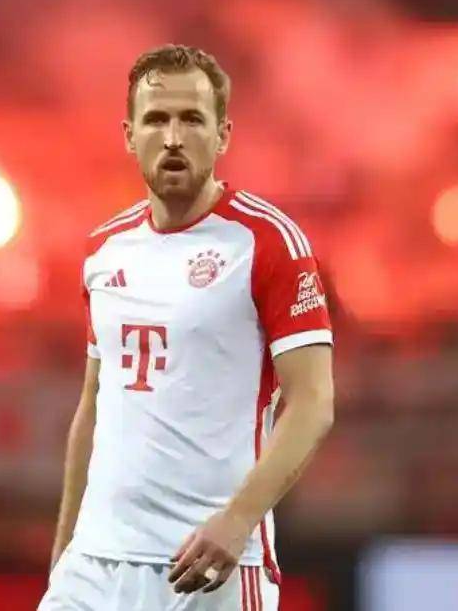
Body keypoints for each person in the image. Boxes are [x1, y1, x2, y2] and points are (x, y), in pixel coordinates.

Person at [39, 44, 335, 610]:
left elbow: (314, 401)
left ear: (223, 135)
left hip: (205, 566)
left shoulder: (268, 242)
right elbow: (94, 406)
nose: (173, 138)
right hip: (94, 567)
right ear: (129, 135)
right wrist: (64, 556)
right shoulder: (105, 249)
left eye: (192, 119)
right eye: (156, 119)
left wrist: (238, 520)